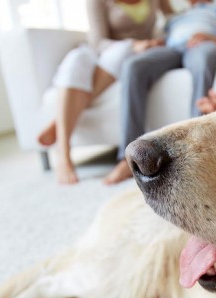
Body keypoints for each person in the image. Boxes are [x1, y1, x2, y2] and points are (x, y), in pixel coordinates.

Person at [37, 0, 173, 185]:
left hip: (136, 53)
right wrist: (134, 44)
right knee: (76, 59)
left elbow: (173, 16)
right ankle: (64, 155)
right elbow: (98, 41)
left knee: (123, 53)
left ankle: (58, 122)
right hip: (107, 50)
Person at [103, 0, 216, 185]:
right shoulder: (175, 17)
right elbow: (163, 35)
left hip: (201, 45)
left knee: (206, 57)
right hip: (171, 49)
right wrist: (157, 42)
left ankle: (198, 150)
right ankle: (125, 159)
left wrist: (213, 39)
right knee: (133, 66)